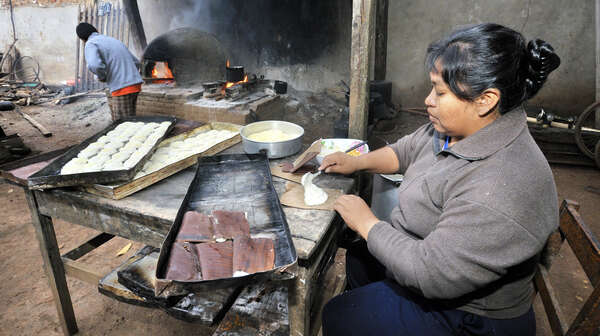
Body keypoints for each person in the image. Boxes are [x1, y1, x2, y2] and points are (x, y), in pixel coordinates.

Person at [320, 23, 561, 336]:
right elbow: (407, 151)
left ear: (485, 100)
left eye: (440, 92)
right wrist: (357, 162)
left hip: (470, 316)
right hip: (430, 257)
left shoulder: (501, 185)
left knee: (339, 315)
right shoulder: (460, 128)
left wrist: (367, 223)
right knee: (359, 257)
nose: (428, 100)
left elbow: (430, 273)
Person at [76, 22, 143, 121]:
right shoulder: (113, 40)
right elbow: (136, 62)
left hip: (122, 87)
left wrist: (103, 77)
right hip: (135, 84)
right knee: (130, 120)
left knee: (122, 124)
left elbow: (95, 65)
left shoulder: (91, 43)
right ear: (95, 30)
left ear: (82, 38)